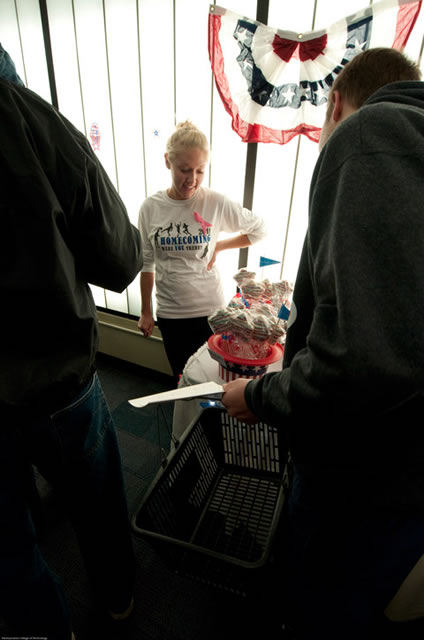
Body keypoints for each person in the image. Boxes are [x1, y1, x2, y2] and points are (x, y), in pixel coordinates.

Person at [222, 47, 424, 639]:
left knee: (321, 604)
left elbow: (363, 360)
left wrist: (258, 396)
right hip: (411, 467)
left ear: (334, 103)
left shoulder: (369, 133)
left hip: (365, 473)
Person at [0, 44, 143, 640]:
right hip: (55, 374)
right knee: (97, 503)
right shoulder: (27, 117)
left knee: (8, 551)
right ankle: (118, 602)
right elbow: (118, 258)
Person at [137, 121, 266, 383]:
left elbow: (259, 230)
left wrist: (219, 245)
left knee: (217, 381)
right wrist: (146, 311)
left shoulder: (214, 202)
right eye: (185, 170)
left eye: (200, 171)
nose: (192, 179)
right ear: (167, 162)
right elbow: (147, 264)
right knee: (183, 379)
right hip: (172, 313)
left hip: (211, 311)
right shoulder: (150, 208)